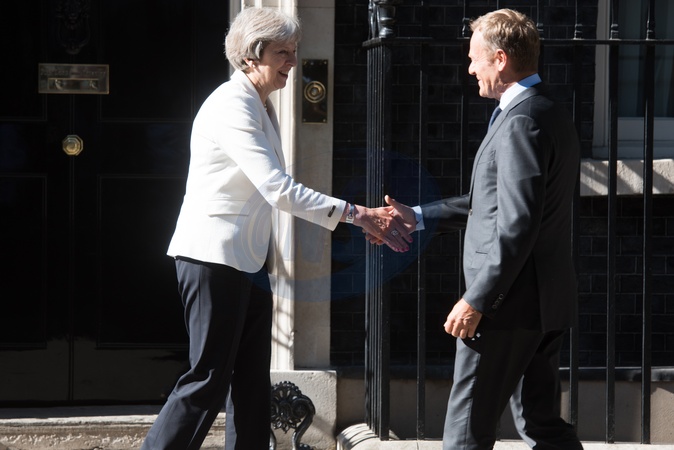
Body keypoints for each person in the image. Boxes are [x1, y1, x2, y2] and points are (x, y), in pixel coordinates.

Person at [141, 7, 409, 450]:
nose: (293, 62)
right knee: (207, 378)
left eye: (295, 51)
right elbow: (277, 188)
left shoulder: (259, 103)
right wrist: (356, 214)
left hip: (246, 261)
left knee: (250, 383)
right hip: (213, 258)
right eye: (283, 52)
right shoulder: (232, 105)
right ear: (251, 56)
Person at [371, 8, 583, 450]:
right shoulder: (546, 109)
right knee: (542, 425)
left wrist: (477, 299)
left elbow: (517, 223)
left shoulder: (521, 120)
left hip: (506, 308)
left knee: (466, 431)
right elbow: (493, 203)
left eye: (474, 58)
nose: (470, 69)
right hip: (542, 302)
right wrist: (419, 215)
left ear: (500, 59)